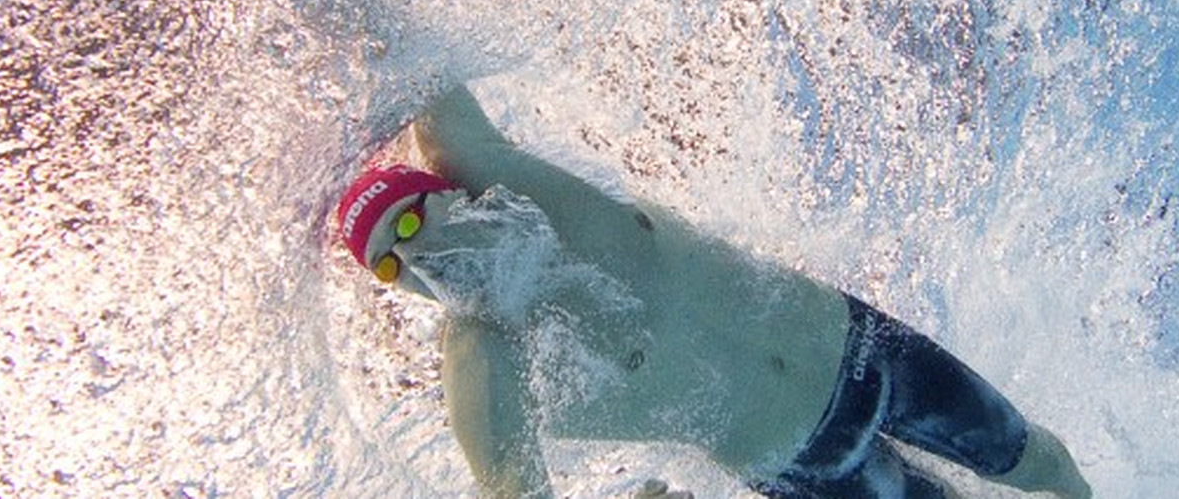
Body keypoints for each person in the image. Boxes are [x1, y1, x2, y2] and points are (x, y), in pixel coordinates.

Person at [336, 85, 1092, 499]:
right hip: (803, 463)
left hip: (855, 345)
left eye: (405, 222)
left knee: (1039, 463)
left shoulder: (532, 195)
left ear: (445, 191)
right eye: (389, 266)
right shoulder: (482, 357)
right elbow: (512, 491)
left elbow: (412, 65)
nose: (417, 256)